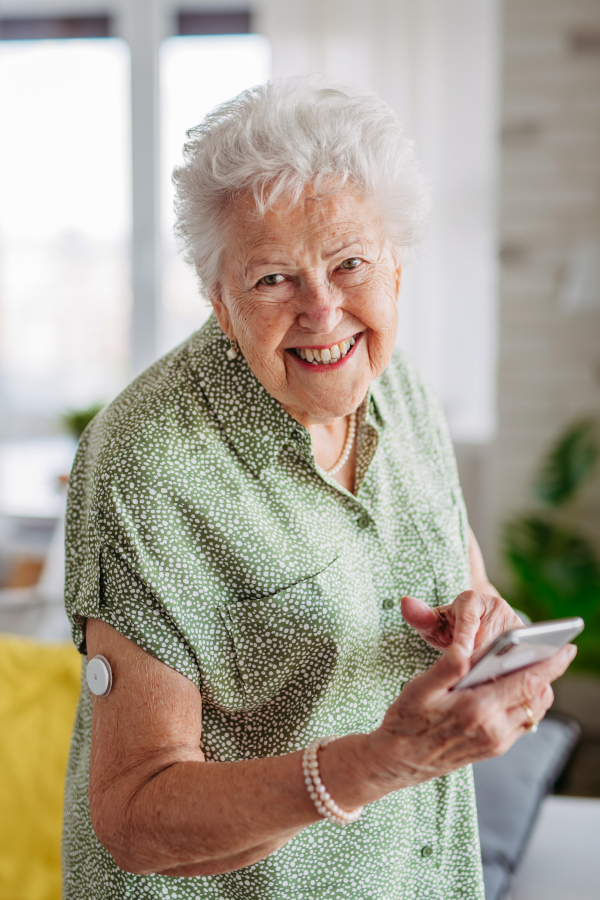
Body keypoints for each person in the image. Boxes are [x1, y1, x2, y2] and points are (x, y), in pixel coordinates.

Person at [62, 77, 576, 900]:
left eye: (350, 263)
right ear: (219, 298)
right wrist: (381, 762)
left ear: (396, 267)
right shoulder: (145, 460)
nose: (324, 311)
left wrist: (486, 631)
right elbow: (133, 812)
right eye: (273, 280)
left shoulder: (400, 391)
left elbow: (469, 588)